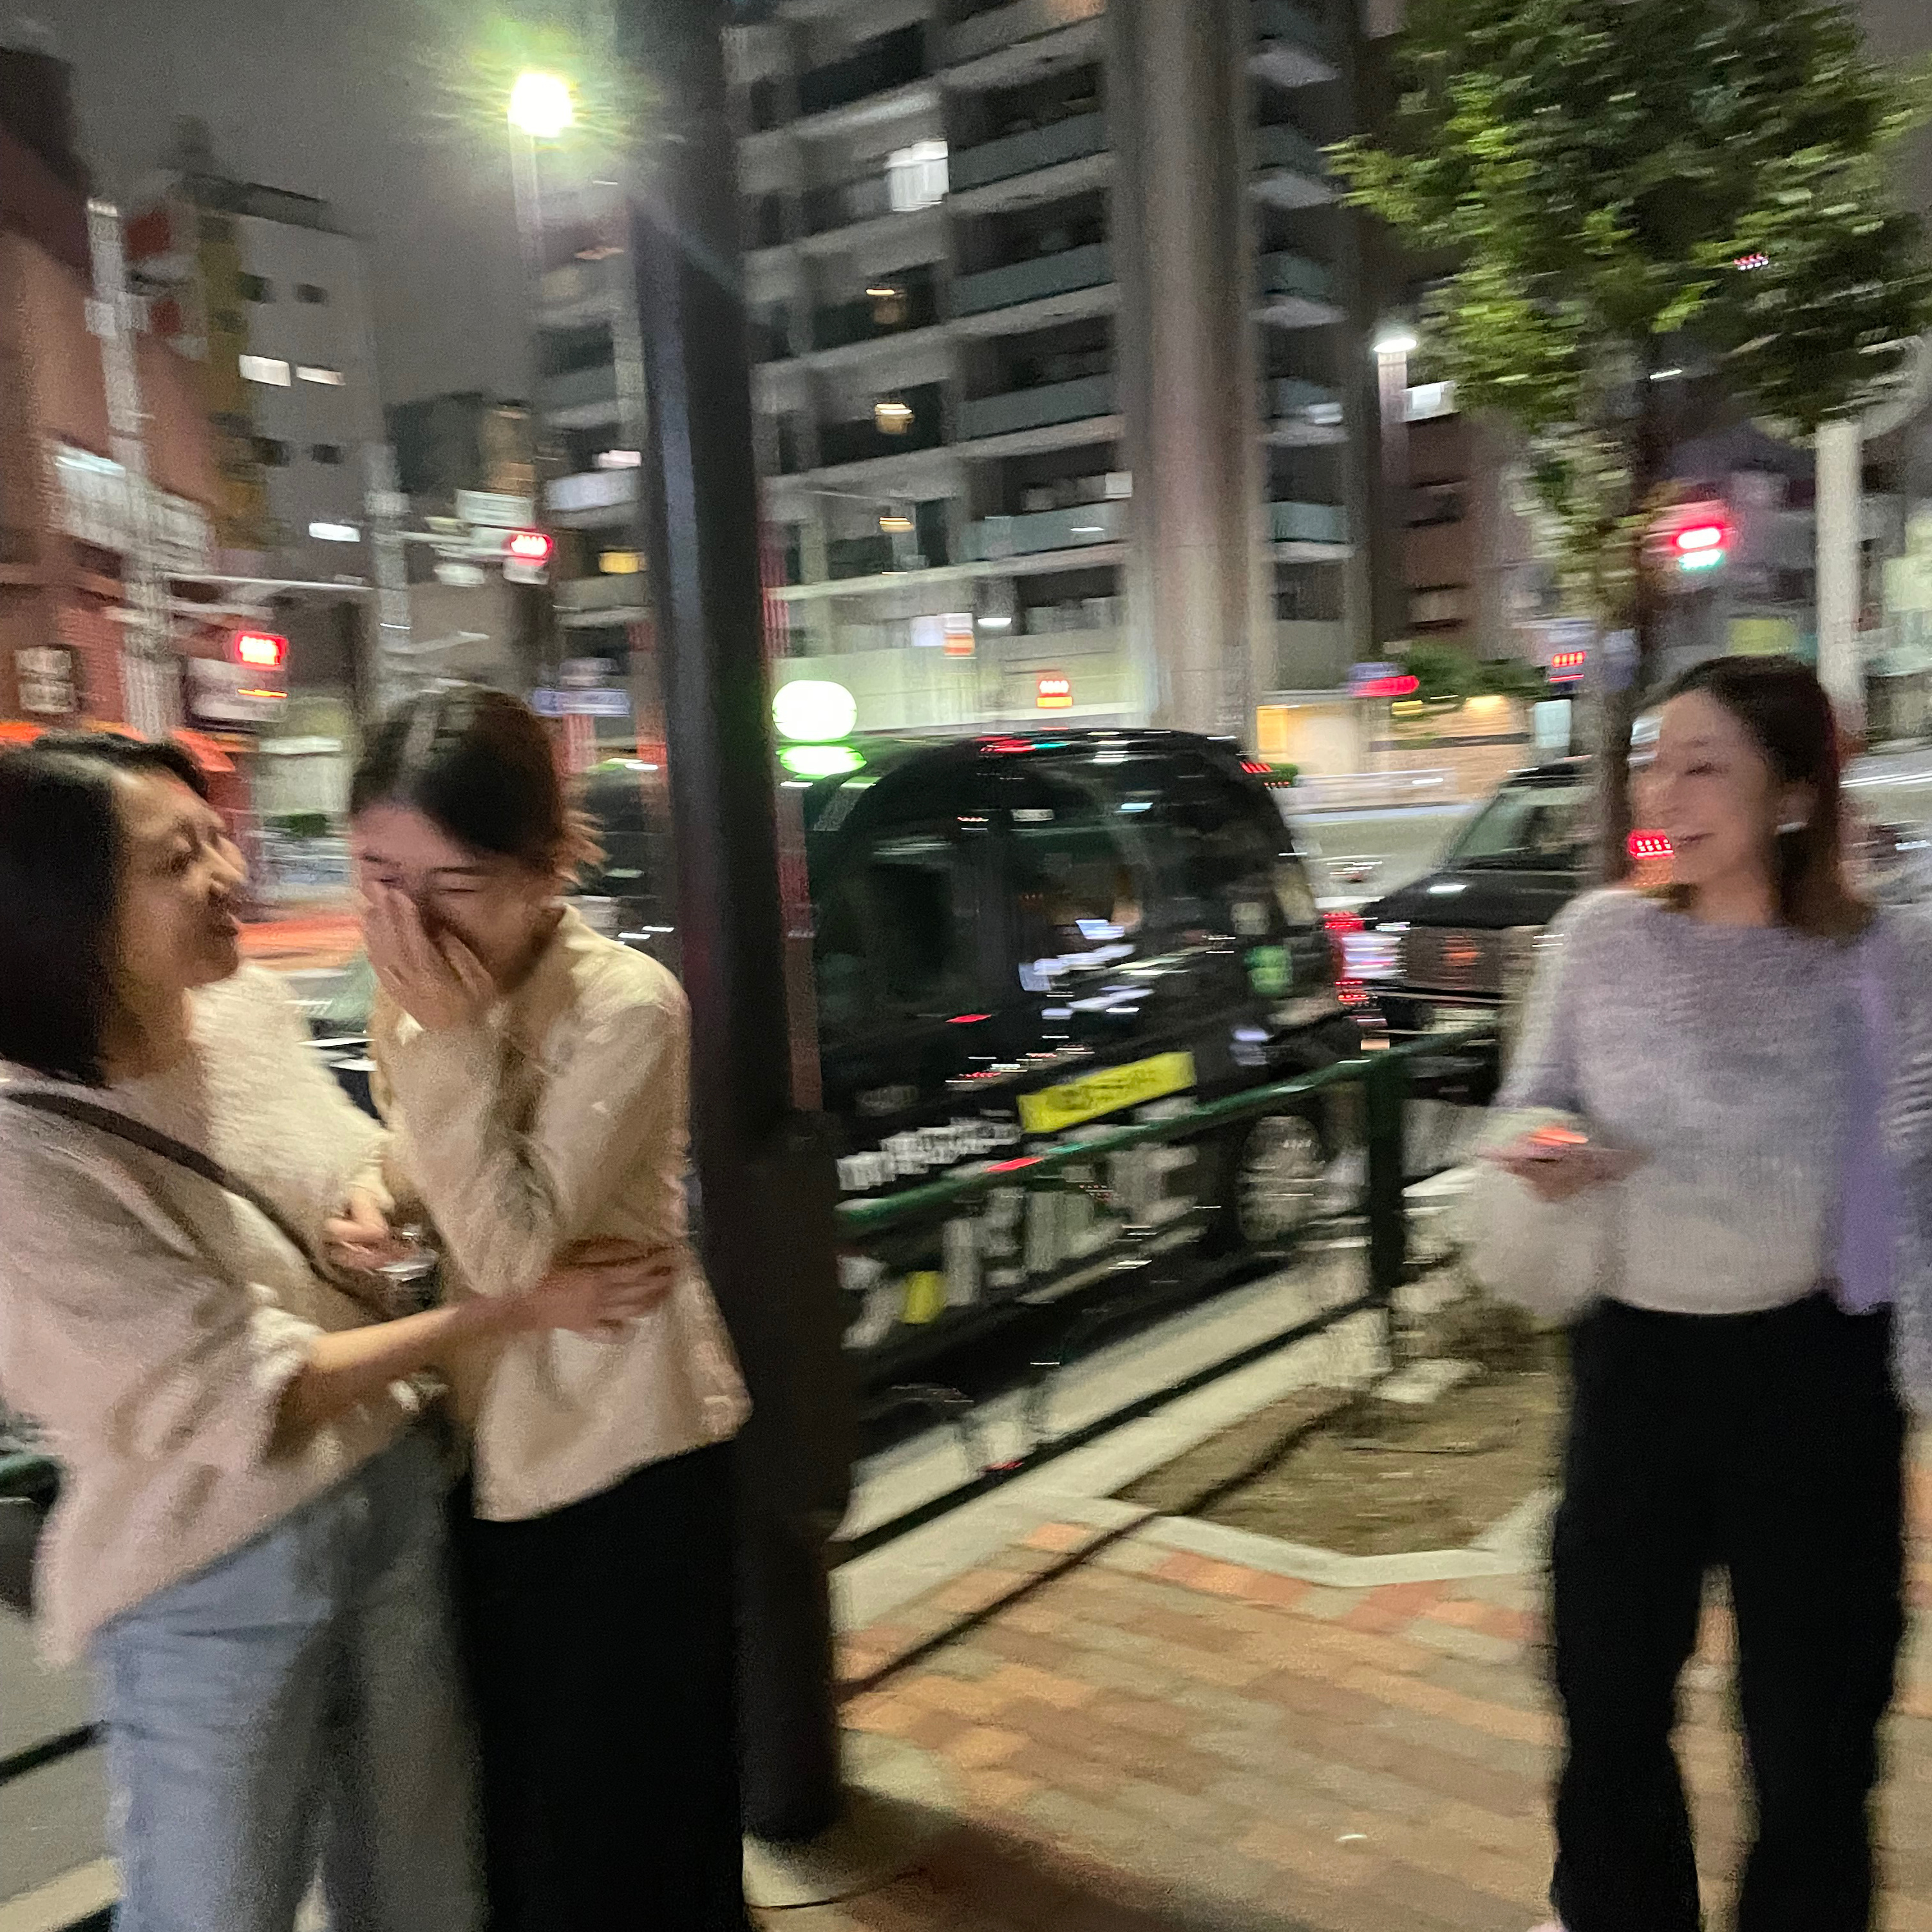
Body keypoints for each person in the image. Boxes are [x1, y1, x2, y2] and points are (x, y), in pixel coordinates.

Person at [0, 734, 660, 1932]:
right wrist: (508, 1309)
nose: (228, 874)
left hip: (392, 1496)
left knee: (424, 1881)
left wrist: (375, 1193)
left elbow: (339, 1161)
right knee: (216, 1904)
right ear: (64, 907)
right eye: (175, 861)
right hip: (210, 1568)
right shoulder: (22, 1151)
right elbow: (249, 1395)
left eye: (215, 839)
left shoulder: (243, 1011)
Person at [1483, 656, 1932, 1932]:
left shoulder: (1886, 960)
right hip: (1638, 1371)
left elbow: (1921, 1176)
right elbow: (1532, 1105)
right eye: (1652, 762)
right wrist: (1552, 1153)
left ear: (1793, 797)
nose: (1662, 794)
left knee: (1815, 1740)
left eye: (1703, 767)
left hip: (1817, 1377)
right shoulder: (1601, 941)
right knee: (1607, 1704)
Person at [343, 686, 752, 1932]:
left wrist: (447, 1040)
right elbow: (431, 1163)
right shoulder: (428, 995)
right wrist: (377, 1192)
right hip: (492, 1452)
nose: (409, 921)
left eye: (453, 884)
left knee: (626, 1814)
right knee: (517, 1805)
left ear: (543, 868)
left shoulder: (626, 1003)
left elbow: (512, 1249)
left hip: (625, 1453)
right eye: (377, 876)